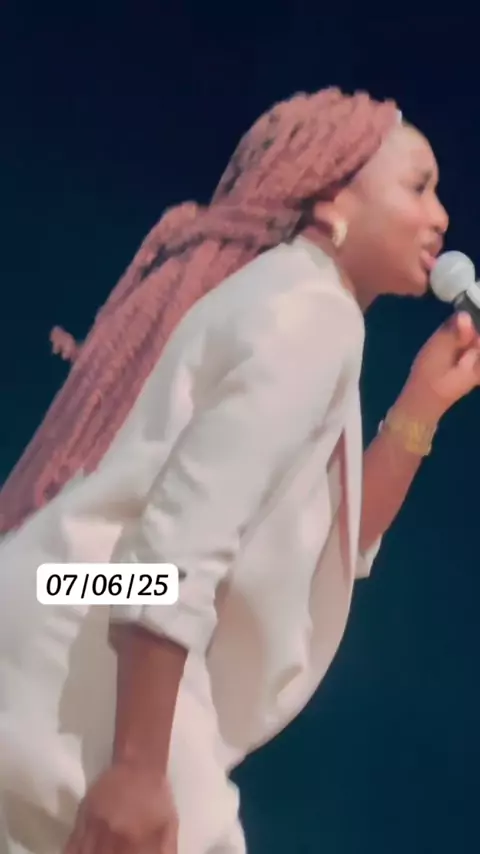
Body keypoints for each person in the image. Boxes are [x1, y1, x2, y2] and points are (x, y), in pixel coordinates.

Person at [0, 87, 478, 854]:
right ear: (331, 200)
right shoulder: (310, 314)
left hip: (62, 597)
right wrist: (137, 768)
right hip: (79, 637)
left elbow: (333, 542)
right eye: (418, 187)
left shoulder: (299, 302)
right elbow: (177, 542)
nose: (441, 216)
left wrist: (423, 402)